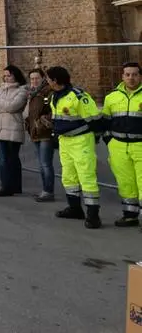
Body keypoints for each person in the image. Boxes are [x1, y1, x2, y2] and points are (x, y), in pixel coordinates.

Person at [46, 66, 102, 229]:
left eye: (48, 79)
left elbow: (95, 120)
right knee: (69, 177)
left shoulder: (78, 96)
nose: (47, 82)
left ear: (55, 81)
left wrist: (96, 138)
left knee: (86, 176)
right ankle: (75, 209)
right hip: (65, 141)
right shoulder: (54, 96)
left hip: (81, 140)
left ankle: (93, 215)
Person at [101, 62, 142, 230]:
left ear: (140, 76)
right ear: (122, 76)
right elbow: (105, 122)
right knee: (126, 183)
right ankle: (130, 215)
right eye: (128, 74)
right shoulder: (111, 97)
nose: (131, 78)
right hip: (118, 147)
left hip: (140, 146)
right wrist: (109, 140)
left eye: (135, 74)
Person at [0, 65, 29, 197]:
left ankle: (13, 186)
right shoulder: (1, 89)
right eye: (4, 75)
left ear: (15, 75)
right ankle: (6, 185)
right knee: (2, 158)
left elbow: (13, 106)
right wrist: (4, 104)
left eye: (8, 75)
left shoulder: (22, 91)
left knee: (11, 158)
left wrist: (1, 103)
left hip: (13, 128)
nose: (6, 77)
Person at [25, 68, 55, 202]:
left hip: (45, 132)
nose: (34, 81)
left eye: (37, 78)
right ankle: (45, 189)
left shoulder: (48, 92)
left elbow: (52, 111)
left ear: (43, 78)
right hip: (35, 132)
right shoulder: (32, 93)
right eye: (32, 79)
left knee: (45, 163)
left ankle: (48, 191)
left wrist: (43, 121)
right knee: (41, 163)